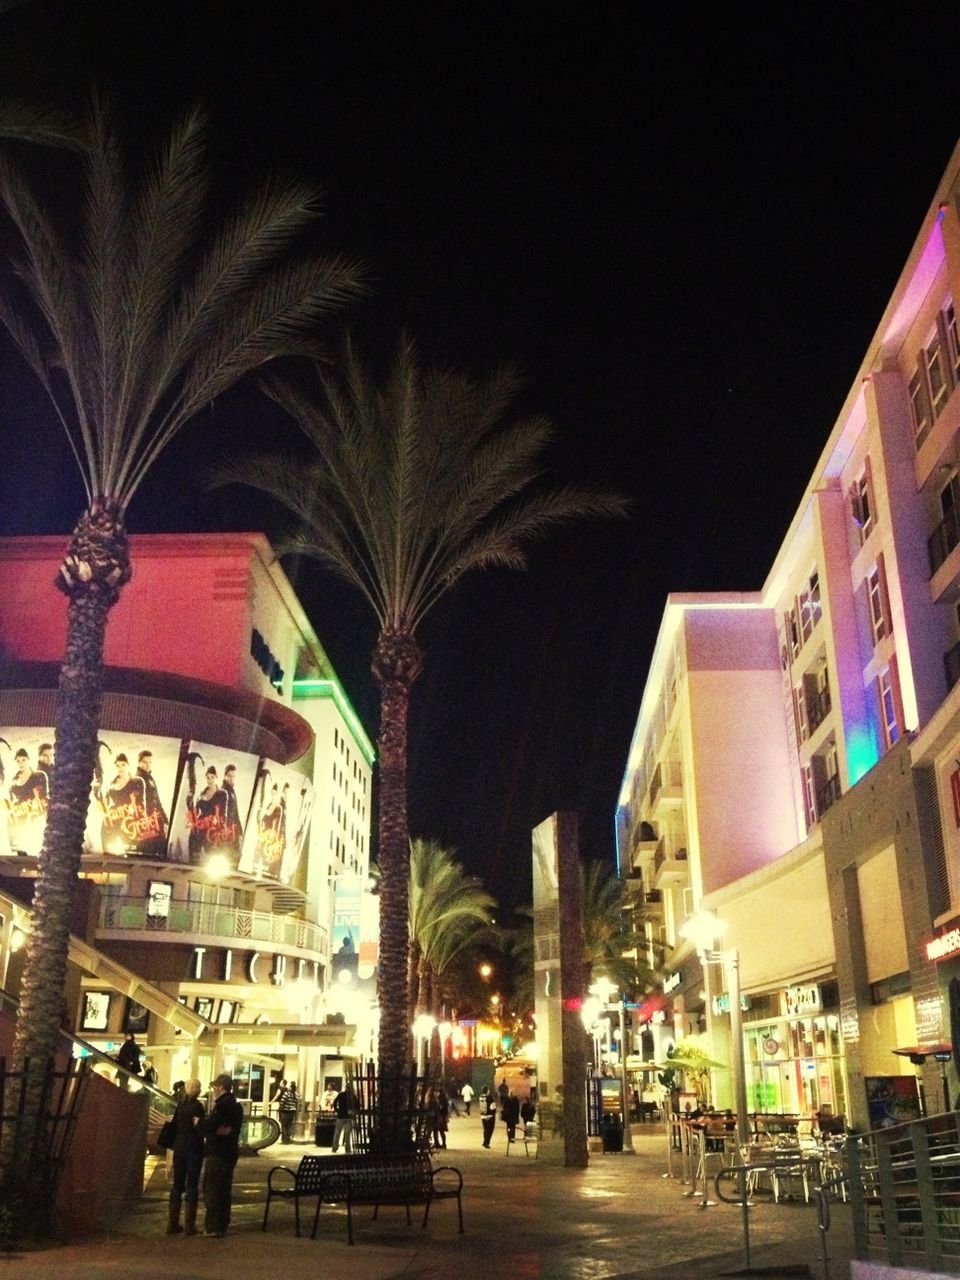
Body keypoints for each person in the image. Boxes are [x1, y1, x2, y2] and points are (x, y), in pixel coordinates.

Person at [202, 1073, 244, 1237]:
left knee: (212, 1189)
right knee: (224, 1189)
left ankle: (213, 1226)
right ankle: (222, 1224)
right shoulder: (236, 1106)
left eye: (215, 1087)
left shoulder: (221, 1106)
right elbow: (227, 1130)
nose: (213, 1090)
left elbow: (211, 1127)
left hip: (217, 1152)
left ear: (220, 1087)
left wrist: (201, 1123)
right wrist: (219, 1131)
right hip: (230, 1152)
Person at [167, 1077, 205, 1236]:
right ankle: (190, 1225)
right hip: (194, 1148)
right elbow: (200, 1128)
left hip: (179, 1147)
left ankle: (172, 1223)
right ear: (198, 1090)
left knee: (177, 1184)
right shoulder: (198, 1107)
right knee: (192, 1185)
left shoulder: (181, 1106)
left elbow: (175, 1126)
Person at [332, 1082, 356, 1153]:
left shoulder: (341, 1094)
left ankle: (334, 1147)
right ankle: (347, 1148)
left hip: (341, 1115)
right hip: (348, 1116)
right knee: (347, 1133)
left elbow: (335, 1102)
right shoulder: (352, 1096)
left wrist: (337, 1110)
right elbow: (357, 1105)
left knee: (337, 1132)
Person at [274, 1078, 300, 1144]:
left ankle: (284, 1140)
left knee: (284, 1126)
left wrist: (279, 1109)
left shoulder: (286, 1094)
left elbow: (282, 1102)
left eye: (289, 1086)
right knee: (289, 1125)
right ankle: (288, 1139)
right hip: (292, 1112)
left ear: (291, 1088)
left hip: (285, 1112)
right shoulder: (296, 1095)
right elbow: (297, 1103)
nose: (288, 1087)